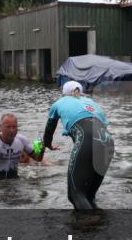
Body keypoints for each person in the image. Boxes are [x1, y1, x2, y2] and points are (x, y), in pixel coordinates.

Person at [43, 81, 114, 210]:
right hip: (108, 141)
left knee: (75, 195)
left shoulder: (59, 103)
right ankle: (99, 225)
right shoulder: (92, 103)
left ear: (64, 93)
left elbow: (49, 131)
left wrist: (47, 145)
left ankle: (88, 224)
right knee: (89, 195)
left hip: (86, 138)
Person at [0, 113, 42, 179]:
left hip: (14, 178)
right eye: (8, 127)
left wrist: (42, 147)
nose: (11, 130)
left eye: (14, 127)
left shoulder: (22, 140)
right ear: (1, 127)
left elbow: (38, 159)